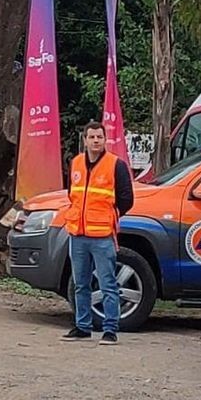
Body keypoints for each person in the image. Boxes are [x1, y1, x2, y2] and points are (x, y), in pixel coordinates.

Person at [60, 121, 134, 345]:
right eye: (91, 137)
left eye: (99, 137)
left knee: (107, 284)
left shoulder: (116, 165)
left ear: (105, 140)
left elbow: (126, 199)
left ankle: (110, 329)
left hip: (102, 235)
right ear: (85, 140)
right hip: (78, 234)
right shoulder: (76, 163)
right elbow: (73, 194)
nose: (95, 141)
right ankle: (82, 326)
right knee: (80, 283)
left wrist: (109, 216)